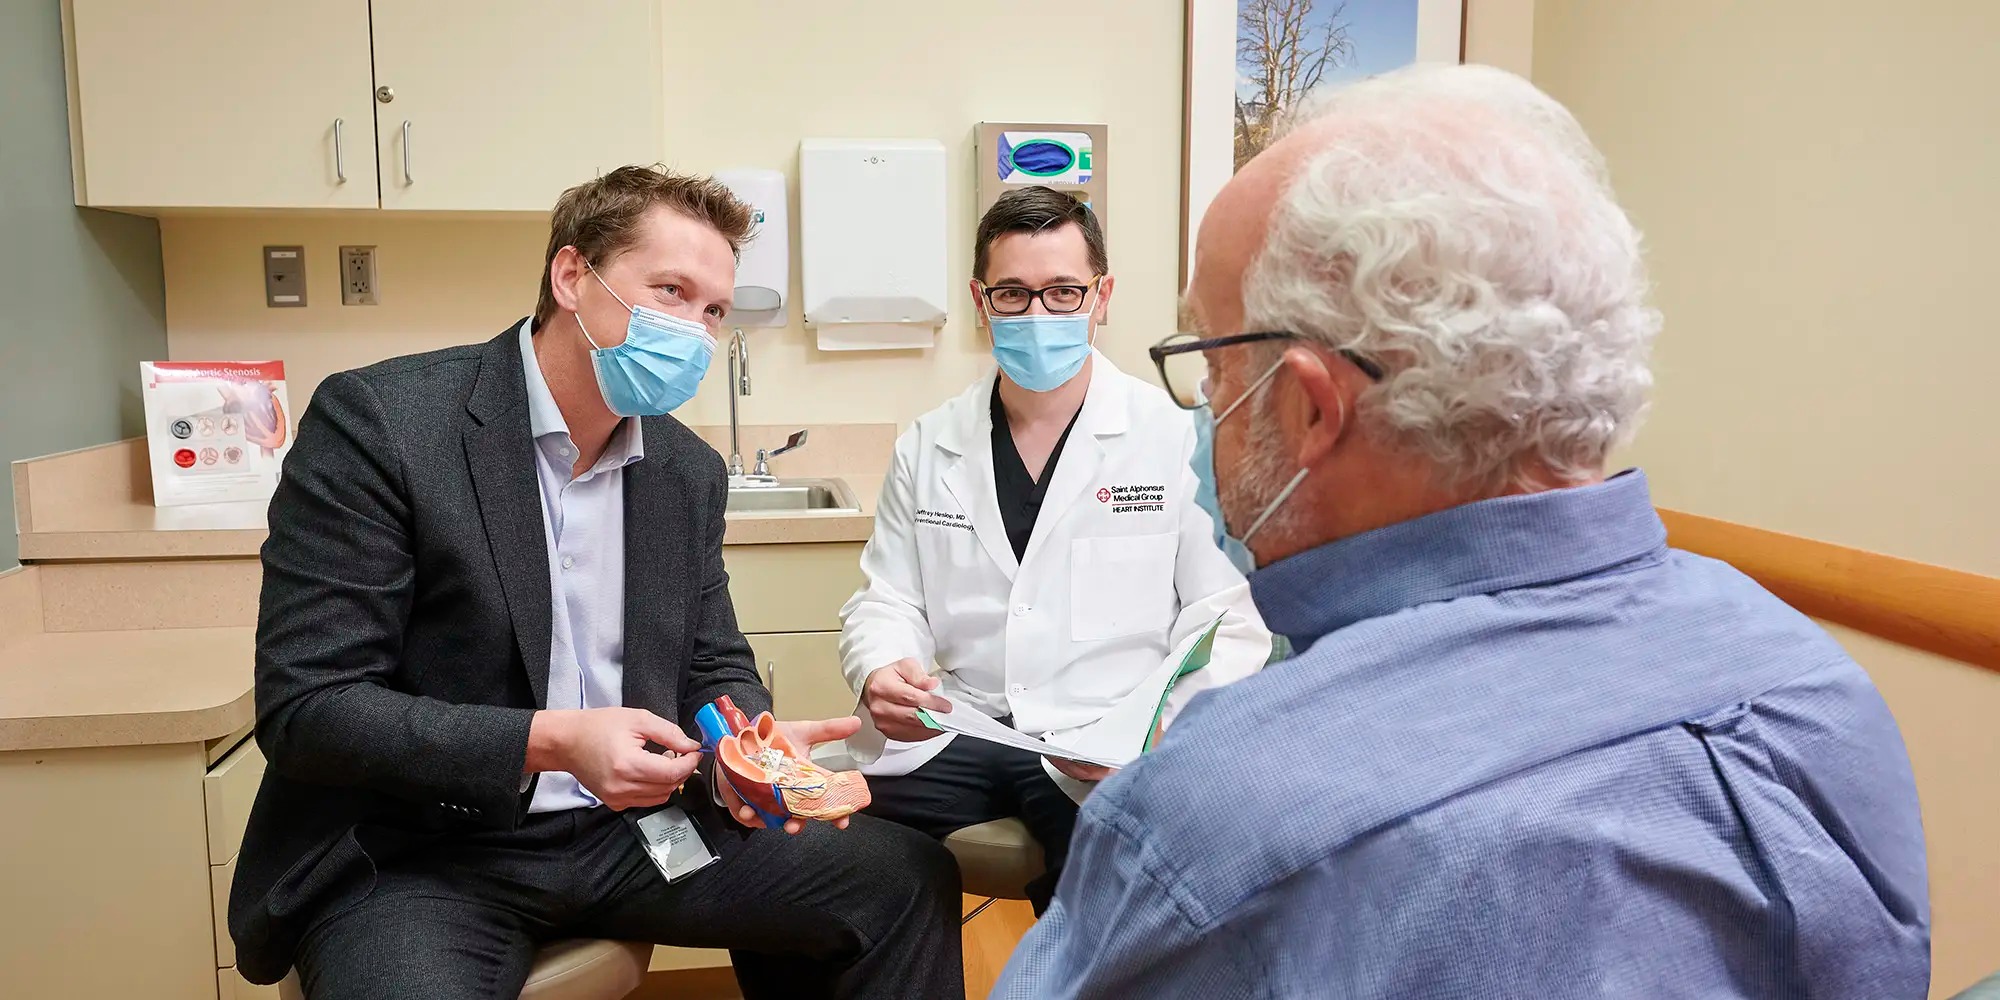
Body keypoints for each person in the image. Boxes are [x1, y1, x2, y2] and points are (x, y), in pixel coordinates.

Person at [997, 65, 1930, 998]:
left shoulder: (1216, 827)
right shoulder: (1816, 689)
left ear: (1311, 410)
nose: (1202, 407)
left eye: (1209, 360)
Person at [228, 166, 963, 1000]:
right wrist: (551, 741)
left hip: (630, 834)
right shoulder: (385, 426)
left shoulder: (683, 471)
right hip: (424, 851)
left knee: (903, 879)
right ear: (572, 276)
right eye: (671, 291)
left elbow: (713, 663)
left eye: (713, 310)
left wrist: (742, 754)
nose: (693, 330)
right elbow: (310, 710)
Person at [839, 186, 1273, 912]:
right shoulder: (929, 442)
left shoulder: (1170, 434)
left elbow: (1224, 616)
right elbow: (888, 597)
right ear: (981, 302)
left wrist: (1159, 731)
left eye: (1063, 292)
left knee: (1120, 888)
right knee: (820, 846)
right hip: (963, 726)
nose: (1037, 315)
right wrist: (885, 669)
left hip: (1106, 736)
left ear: (1102, 298)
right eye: (1013, 293)